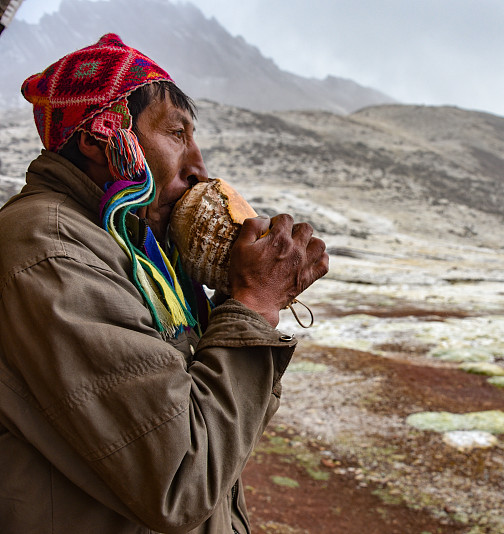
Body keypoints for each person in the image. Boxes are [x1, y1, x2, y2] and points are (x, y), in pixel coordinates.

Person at [0, 33, 328, 533]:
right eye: (177, 135)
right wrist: (254, 304)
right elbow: (183, 477)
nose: (199, 168)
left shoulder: (137, 247)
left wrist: (241, 299)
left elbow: (224, 435)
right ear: (100, 137)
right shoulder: (51, 250)